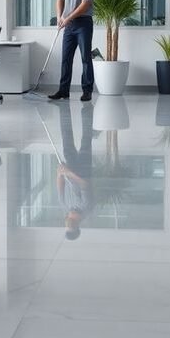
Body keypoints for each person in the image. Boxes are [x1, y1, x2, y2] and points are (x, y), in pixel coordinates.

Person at [49, 0, 96, 102]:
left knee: (85, 58)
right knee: (66, 58)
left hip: (83, 23)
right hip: (68, 25)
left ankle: (87, 91)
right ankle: (63, 91)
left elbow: (85, 4)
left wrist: (68, 17)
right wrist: (59, 17)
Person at [55, 102, 94, 240]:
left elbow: (60, 188)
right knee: (86, 138)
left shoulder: (65, 209)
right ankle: (88, 109)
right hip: (83, 170)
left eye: (67, 222)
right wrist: (68, 173)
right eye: (71, 223)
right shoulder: (87, 208)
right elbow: (84, 185)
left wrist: (60, 173)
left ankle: (63, 110)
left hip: (70, 169)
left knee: (66, 138)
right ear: (77, 225)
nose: (69, 219)